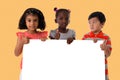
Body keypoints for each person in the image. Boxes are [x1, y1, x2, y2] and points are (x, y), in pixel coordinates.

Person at [14, 8, 48, 80]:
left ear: (39, 21)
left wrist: (46, 42)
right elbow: (16, 53)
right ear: (25, 21)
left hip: (40, 68)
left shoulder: (42, 35)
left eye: (35, 20)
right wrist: (22, 42)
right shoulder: (22, 36)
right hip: (26, 68)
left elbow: (47, 52)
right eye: (29, 20)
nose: (32, 23)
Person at [82, 11, 112, 80]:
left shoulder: (106, 37)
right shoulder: (85, 37)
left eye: (94, 22)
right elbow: (82, 51)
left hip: (101, 68)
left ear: (102, 24)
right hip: (88, 67)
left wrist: (105, 49)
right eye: (89, 22)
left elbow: (108, 54)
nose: (91, 25)